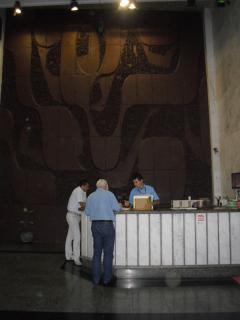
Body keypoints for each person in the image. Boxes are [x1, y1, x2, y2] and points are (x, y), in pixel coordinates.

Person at [85, 179, 121, 286]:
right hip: (107, 225)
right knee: (108, 253)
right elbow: (117, 208)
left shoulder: (90, 196)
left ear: (97, 186)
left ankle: (95, 279)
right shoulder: (109, 194)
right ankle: (107, 279)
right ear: (106, 186)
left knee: (97, 253)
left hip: (95, 225)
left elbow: (87, 212)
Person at [65, 179, 90, 266]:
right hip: (72, 215)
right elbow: (83, 205)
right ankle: (76, 258)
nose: (88, 188)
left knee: (70, 236)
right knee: (77, 236)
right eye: (87, 186)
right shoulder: (78, 191)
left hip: (77, 216)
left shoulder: (83, 192)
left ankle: (68, 256)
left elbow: (83, 205)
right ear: (83, 185)